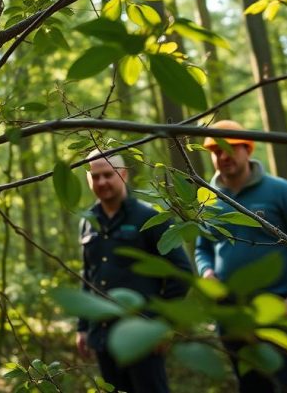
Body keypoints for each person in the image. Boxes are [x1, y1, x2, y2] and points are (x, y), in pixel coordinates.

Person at [194, 120, 287, 393]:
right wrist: (207, 273)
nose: (223, 156)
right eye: (216, 151)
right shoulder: (208, 199)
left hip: (285, 313)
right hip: (234, 318)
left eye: (230, 148)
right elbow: (202, 248)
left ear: (247, 148)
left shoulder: (280, 190)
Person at [76, 149, 191, 393]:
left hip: (142, 336)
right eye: (95, 177)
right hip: (103, 337)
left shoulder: (149, 217)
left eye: (108, 175)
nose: (102, 182)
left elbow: (181, 272)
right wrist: (83, 327)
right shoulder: (88, 220)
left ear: (124, 175)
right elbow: (89, 276)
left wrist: (162, 323)